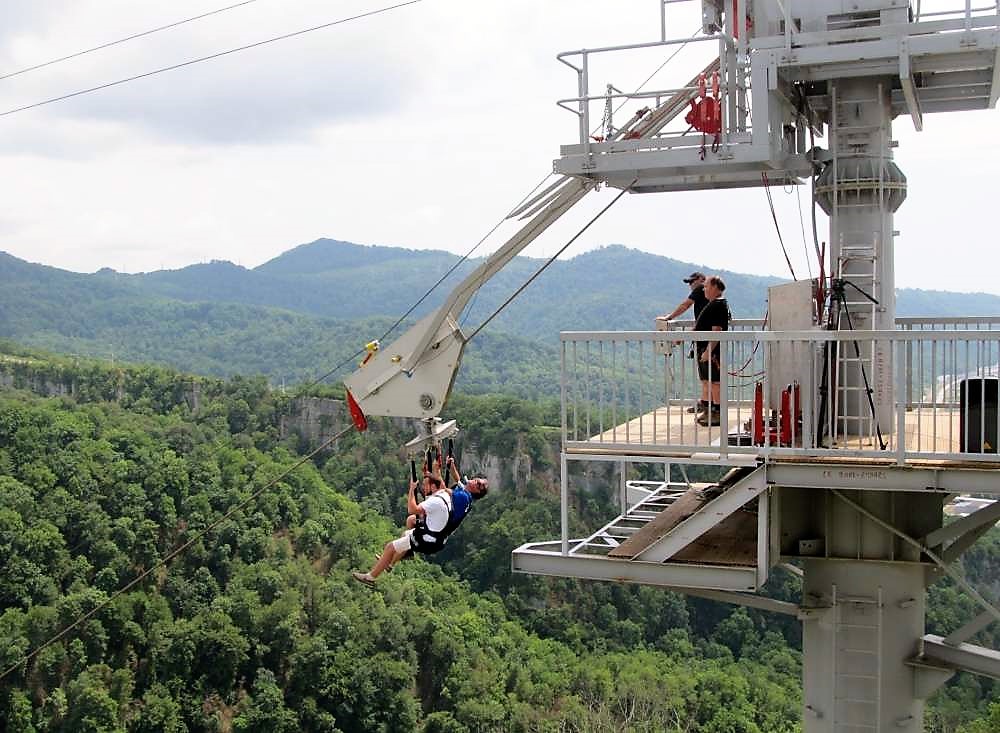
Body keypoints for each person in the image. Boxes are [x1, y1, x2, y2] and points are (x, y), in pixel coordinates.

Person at [352, 456, 489, 586]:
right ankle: (391, 562)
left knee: (390, 546)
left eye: (479, 483)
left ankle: (370, 577)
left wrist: (417, 485)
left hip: (430, 537)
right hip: (438, 531)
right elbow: (458, 482)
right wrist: (450, 467)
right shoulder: (465, 496)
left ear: (476, 489)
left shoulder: (458, 498)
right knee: (410, 524)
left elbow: (440, 491)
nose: (424, 489)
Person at [660, 272, 710, 413]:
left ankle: (709, 405)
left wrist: (669, 317)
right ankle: (706, 403)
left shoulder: (700, 290)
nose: (690, 285)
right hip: (703, 337)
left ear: (700, 280)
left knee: (708, 375)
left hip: (705, 339)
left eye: (692, 281)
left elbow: (685, 305)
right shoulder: (707, 294)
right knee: (706, 375)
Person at [694, 275, 731, 427]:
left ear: (715, 287)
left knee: (715, 382)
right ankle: (709, 410)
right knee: (707, 381)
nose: (704, 289)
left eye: (707, 286)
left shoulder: (718, 305)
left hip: (712, 350)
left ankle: (717, 413)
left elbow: (717, 330)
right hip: (704, 348)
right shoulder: (713, 304)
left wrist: (709, 351)